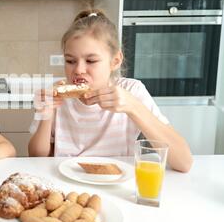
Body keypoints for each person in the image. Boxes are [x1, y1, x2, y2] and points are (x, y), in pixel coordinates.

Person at [28, 9, 193, 173]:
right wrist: (46, 116)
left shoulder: (131, 91)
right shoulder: (56, 94)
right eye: (70, 61)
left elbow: (184, 162)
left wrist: (133, 107)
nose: (78, 70)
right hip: (67, 185)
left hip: (117, 183)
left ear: (115, 61)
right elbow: (36, 157)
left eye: (91, 60)